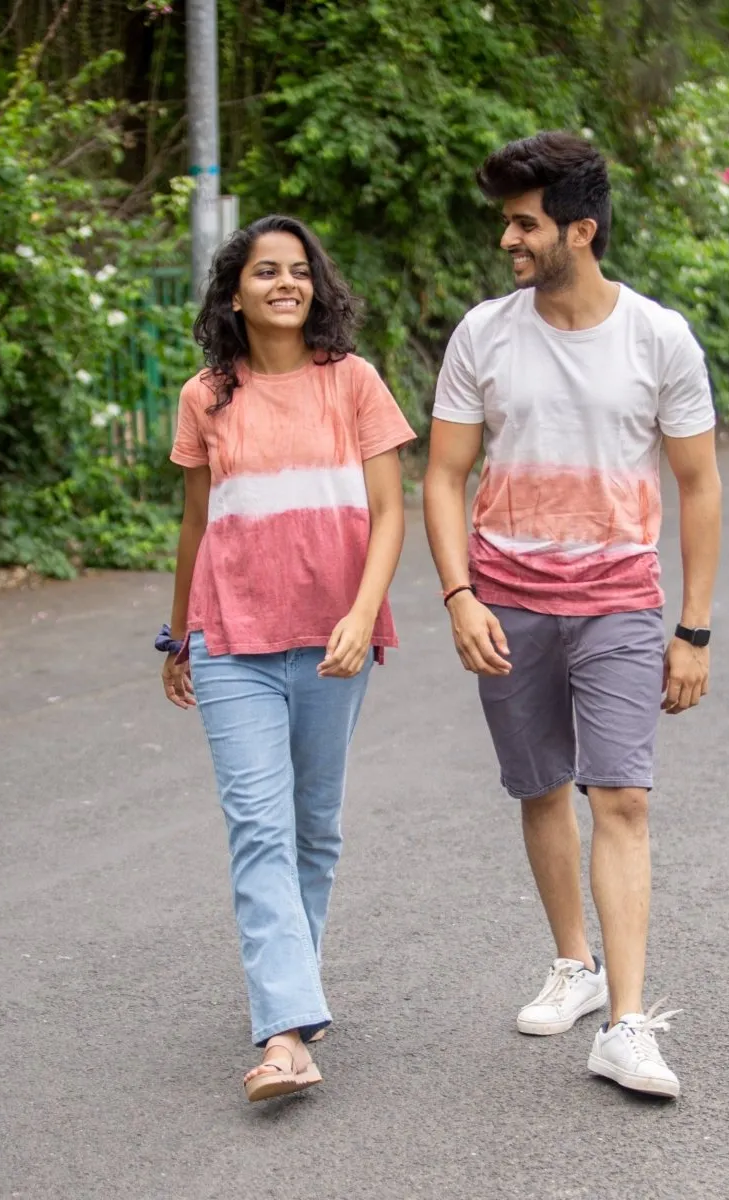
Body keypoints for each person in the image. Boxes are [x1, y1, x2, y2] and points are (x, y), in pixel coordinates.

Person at [423, 132, 722, 1098]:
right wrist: (459, 593)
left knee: (622, 797)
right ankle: (575, 966)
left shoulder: (658, 338)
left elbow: (699, 486)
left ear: (579, 231)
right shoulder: (484, 333)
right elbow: (442, 472)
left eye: (525, 223)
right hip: (508, 601)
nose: (508, 239)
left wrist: (695, 626)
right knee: (541, 786)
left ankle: (627, 1023)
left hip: (621, 605)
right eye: (507, 221)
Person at [159, 214, 415, 1102]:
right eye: (265, 271)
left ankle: (288, 1002)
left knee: (314, 827)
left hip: (333, 639)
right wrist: (177, 631)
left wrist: (361, 613)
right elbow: (197, 520)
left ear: (317, 287)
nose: (284, 284)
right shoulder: (207, 396)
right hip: (233, 639)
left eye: (298, 271)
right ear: (235, 291)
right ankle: (284, 1033)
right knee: (259, 829)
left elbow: (390, 513)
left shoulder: (353, 384)